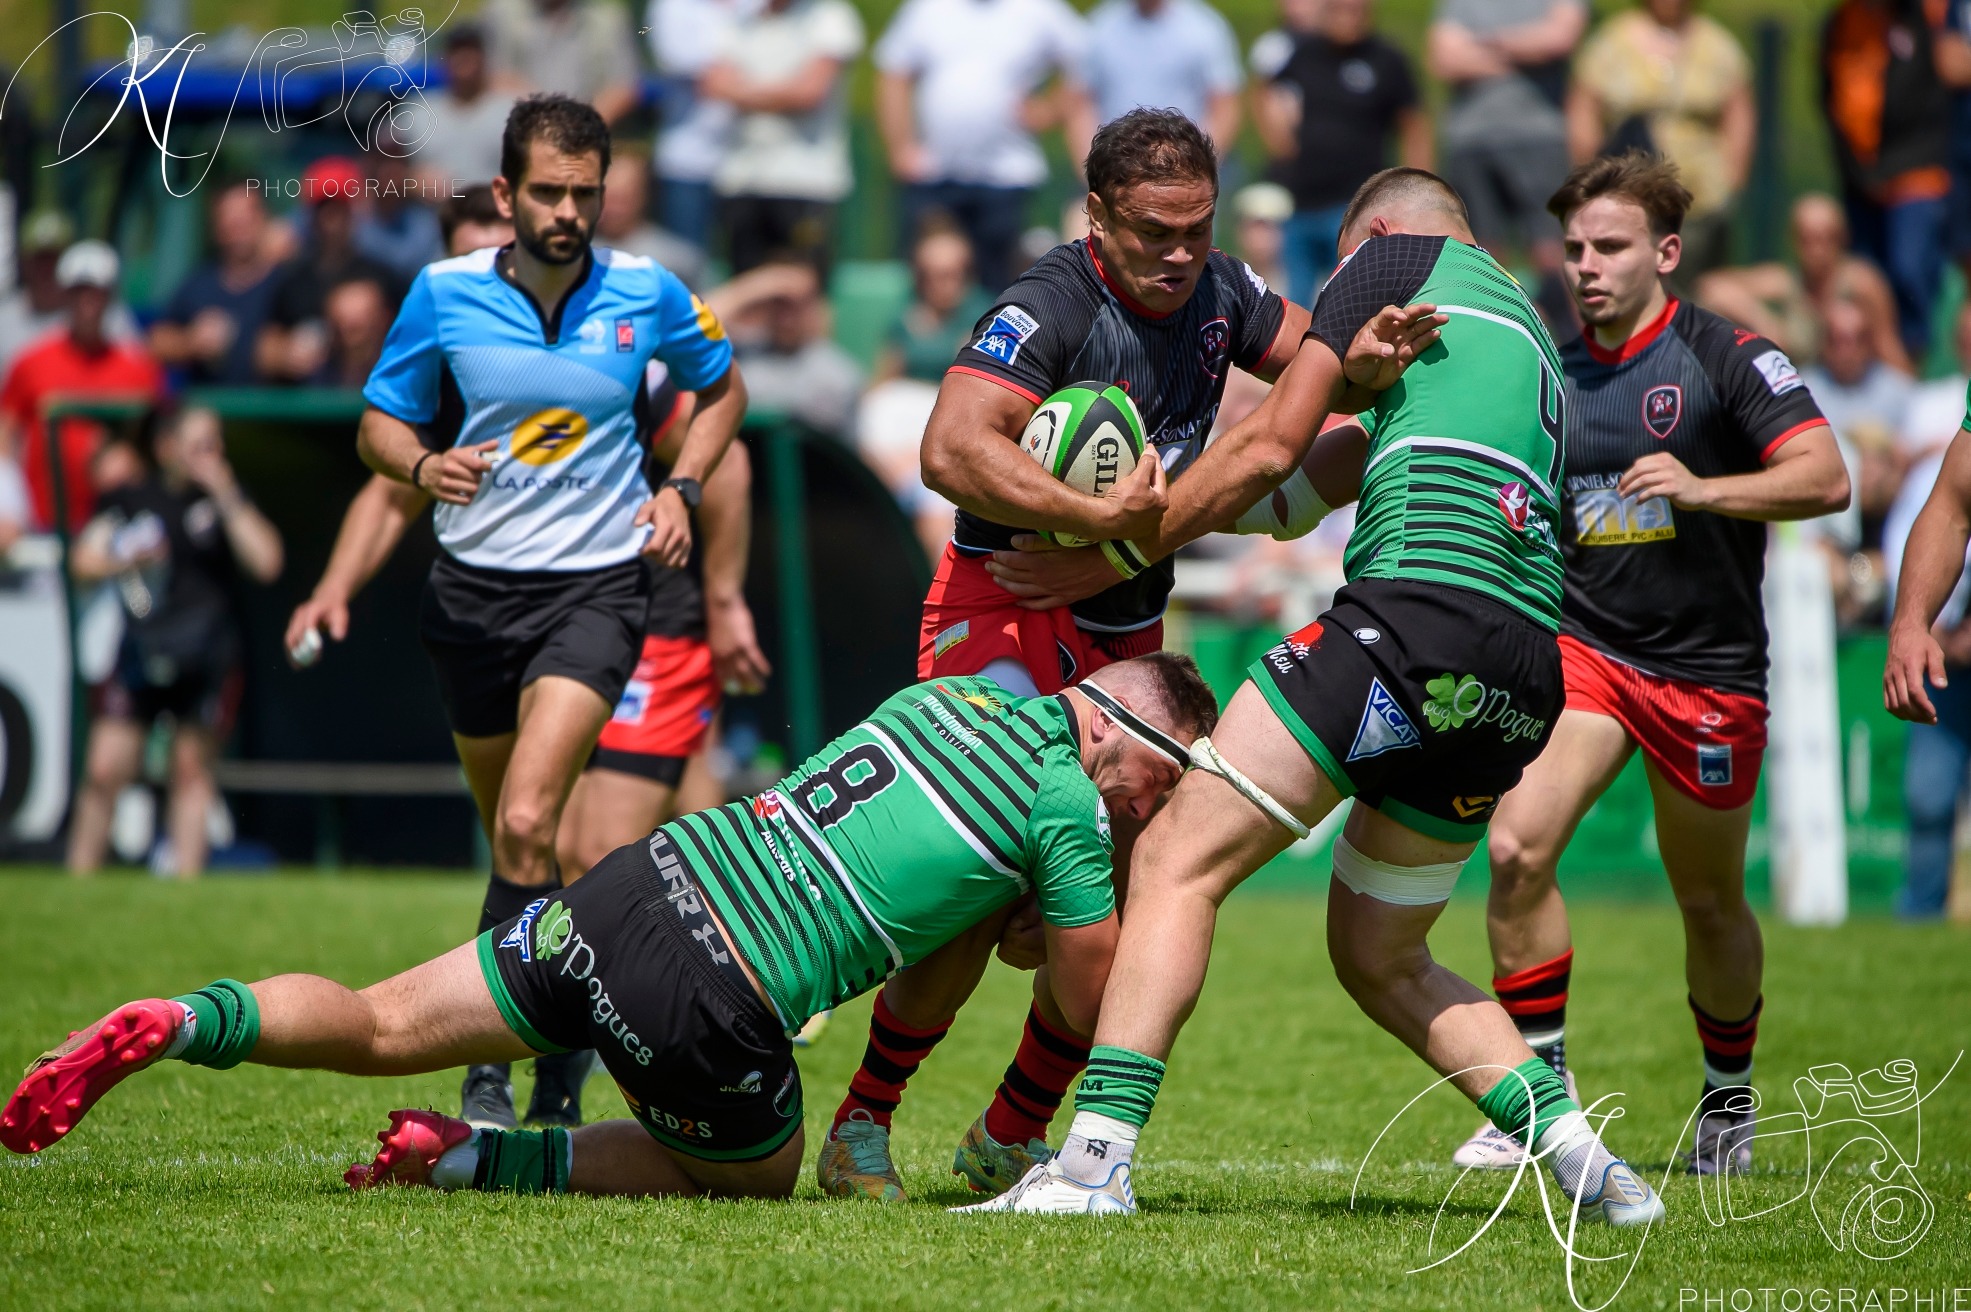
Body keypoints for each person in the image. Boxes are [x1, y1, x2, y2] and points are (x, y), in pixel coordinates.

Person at [968, 166, 1664, 1227]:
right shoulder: (1521, 335)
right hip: (1523, 671)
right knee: (1379, 950)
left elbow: (1270, 444)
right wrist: (1170, 510)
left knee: (1173, 860)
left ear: (1376, 237)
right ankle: (1591, 1166)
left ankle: (1094, 1162)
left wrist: (1111, 550)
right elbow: (1295, 490)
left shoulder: (1391, 264)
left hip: (1415, 616)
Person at [2, 657, 1214, 1207]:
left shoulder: (946, 693)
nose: (1145, 816)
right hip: (716, 984)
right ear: (1115, 737)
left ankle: (179, 1020)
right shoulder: (1066, 800)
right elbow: (1092, 982)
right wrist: (1108, 892)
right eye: (1156, 792)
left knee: (378, 1022)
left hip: (631, 887)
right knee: (753, 1175)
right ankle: (473, 1158)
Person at [815, 110, 1320, 1203]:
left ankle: (1010, 1134)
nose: (1181, 252)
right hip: (1002, 606)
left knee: (1131, 901)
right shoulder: (1050, 303)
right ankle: (862, 1121)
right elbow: (949, 449)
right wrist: (1094, 530)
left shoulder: (1224, 292)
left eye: (1199, 227)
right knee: (980, 879)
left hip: (1125, 629)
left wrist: (1134, 543)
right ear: (1096, 217)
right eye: (1154, 232)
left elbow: (1323, 368)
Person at [283, 95, 747, 1133]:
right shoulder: (442, 294)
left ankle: (496, 1069)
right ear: (506, 192)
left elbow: (724, 395)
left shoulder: (649, 291)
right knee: (515, 844)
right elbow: (377, 429)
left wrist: (683, 490)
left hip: (595, 592)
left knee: (536, 818)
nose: (568, 210)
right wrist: (423, 460)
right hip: (472, 600)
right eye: (548, 190)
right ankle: (566, 1038)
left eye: (586, 192)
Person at [1438, 153, 1846, 1178]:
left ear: (1665, 253)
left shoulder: (1726, 357)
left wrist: (1705, 489)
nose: (1587, 266)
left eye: (1610, 247)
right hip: (1590, 655)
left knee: (1706, 900)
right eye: (1574, 248)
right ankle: (1536, 1096)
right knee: (1520, 847)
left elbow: (1826, 477)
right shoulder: (1550, 372)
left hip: (1710, 671)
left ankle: (1726, 1102)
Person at [555, 367, 771, 874]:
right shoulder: (487, 353)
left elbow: (728, 464)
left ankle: (723, 934)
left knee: (597, 853)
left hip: (656, 626)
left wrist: (722, 603)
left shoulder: (622, 368)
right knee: (559, 847)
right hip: (564, 622)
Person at [64, 405, 285, 877]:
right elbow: (83, 562)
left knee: (191, 773)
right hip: (142, 648)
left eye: (217, 444)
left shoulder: (224, 503)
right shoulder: (130, 499)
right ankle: (77, 884)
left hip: (206, 654)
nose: (212, 454)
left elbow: (267, 562)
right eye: (201, 444)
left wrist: (225, 493)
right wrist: (126, 560)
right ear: (168, 446)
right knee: (104, 769)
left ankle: (186, 887)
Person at [873, 0, 1092, 290]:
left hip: (1006, 176)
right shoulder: (927, 8)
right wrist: (900, 148)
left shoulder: (1039, 9)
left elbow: (1087, 61)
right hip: (935, 173)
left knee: (1000, 283)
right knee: (930, 280)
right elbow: (893, 71)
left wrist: (1047, 111)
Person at [1255, 0, 1430, 308]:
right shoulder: (1305, 53)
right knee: (1295, 302)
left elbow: (1413, 125)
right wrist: (1279, 143)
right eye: (1339, 9)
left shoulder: (1386, 59)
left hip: (1358, 203)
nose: (1348, 16)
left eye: (1356, 9)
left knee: (1354, 301)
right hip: (1303, 200)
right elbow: (1265, 90)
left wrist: (1417, 189)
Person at [1566, 0, 1753, 284]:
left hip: (1701, 199)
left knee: (1698, 290)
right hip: (1626, 195)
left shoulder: (1718, 46)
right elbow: (1583, 112)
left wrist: (1731, 178)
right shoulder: (1611, 43)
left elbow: (1738, 116)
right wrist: (1592, 181)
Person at [1427, 0, 1585, 323]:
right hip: (1469, 140)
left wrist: (1483, 43)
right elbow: (1443, 59)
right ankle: (1489, 335)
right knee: (1478, 254)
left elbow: (1558, 39)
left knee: (1553, 251)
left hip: (1539, 135)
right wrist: (1522, 53)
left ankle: (1572, 348)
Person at [0, 241, 167, 532]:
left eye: (96, 291)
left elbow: (160, 442)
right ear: (65, 295)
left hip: (120, 524)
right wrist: (9, 501)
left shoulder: (140, 369)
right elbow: (6, 429)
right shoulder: (31, 362)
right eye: (79, 291)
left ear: (109, 296)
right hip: (44, 524)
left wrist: (132, 462)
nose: (87, 301)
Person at [1819, 0, 1951, 360]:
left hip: (1916, 175)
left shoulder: (1925, 15)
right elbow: (1830, 99)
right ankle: (1873, 369)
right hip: (1861, 180)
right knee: (1864, 280)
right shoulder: (1841, 22)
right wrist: (1860, 172)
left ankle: (1916, 363)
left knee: (1909, 272)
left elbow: (1938, 92)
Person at [699, 0, 864, 278]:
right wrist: (784, 93)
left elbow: (810, 93)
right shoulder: (734, 20)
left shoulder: (832, 17)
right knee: (747, 289)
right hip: (743, 180)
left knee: (803, 290)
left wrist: (744, 93)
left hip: (808, 183)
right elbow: (714, 85)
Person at [1881, 434, 1971, 919]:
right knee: (1929, 797)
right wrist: (1913, 622)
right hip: (1952, 668)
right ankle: (1919, 915)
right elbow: (1952, 507)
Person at [1694, 193, 1907, 372]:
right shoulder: (1787, 281)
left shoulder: (1861, 284)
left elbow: (1887, 346)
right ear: (1794, 240)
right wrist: (1764, 323)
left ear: (1842, 238)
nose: (1818, 250)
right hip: (1804, 394)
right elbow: (1711, 288)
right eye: (1808, 239)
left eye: (1827, 238)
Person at [255, 158, 405, 386]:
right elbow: (264, 349)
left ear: (353, 211)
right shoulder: (292, 279)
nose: (331, 219)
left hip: (369, 396)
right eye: (324, 208)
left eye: (339, 207)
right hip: (306, 404)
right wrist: (285, 354)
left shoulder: (382, 276)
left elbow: (407, 341)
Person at [705, 256, 862, 438]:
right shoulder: (736, 355)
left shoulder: (839, 374)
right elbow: (689, 330)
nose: (787, 318)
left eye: (797, 305)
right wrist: (757, 285)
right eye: (779, 303)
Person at [647, 0, 757, 251]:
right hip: (688, 163)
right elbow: (674, 58)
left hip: (753, 165)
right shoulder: (670, 7)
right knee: (686, 263)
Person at [148, 183, 283, 386]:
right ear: (217, 228)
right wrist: (191, 342)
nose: (239, 232)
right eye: (231, 224)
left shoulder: (287, 283)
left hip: (277, 411)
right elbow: (156, 341)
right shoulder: (199, 284)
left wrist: (282, 352)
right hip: (211, 408)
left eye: (245, 222)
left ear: (263, 220)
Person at [1080, 0, 1242, 150]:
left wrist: (1198, 164)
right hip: (1112, 162)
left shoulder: (1205, 28)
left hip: (1188, 161)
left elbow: (1224, 106)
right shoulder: (1100, 26)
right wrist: (1091, 167)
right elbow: (1080, 103)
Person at [0, 211, 140, 370]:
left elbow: (136, 369)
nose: (46, 270)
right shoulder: (3, 318)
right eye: (39, 259)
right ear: (23, 262)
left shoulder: (108, 315)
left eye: (54, 260)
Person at [480, 0, 642, 126]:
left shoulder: (608, 20)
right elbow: (493, 77)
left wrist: (580, 128)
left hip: (588, 137)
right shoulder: (501, 14)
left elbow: (624, 88)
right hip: (517, 134)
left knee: (628, 166)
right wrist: (545, 118)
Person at [406, 25, 518, 191]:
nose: (464, 58)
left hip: (493, 212)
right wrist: (412, 179)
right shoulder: (416, 112)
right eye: (456, 51)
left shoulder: (510, 112)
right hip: (433, 213)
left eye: (471, 51)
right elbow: (384, 170)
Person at [596, 156, 708, 291]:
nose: (613, 209)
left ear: (644, 197)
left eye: (622, 199)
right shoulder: (577, 254)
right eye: (608, 198)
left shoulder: (677, 260)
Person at [353, 151, 446, 283]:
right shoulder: (355, 221)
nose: (390, 171)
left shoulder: (426, 222)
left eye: (397, 163)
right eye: (382, 162)